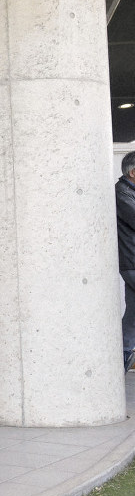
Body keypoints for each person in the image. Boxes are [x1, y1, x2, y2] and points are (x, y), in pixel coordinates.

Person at [115, 151, 135, 373]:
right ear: (133, 173)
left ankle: (122, 354)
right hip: (132, 261)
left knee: (133, 313)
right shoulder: (122, 193)